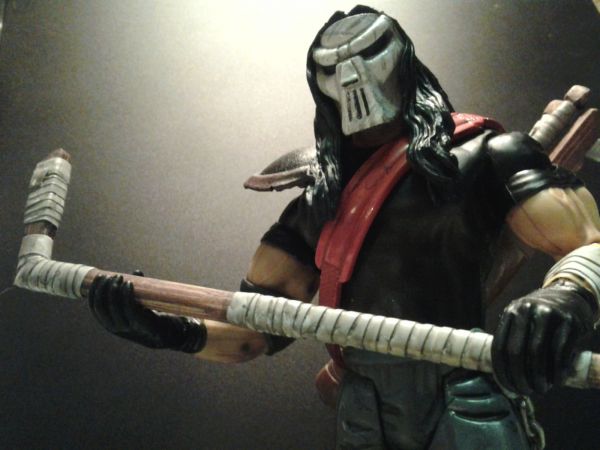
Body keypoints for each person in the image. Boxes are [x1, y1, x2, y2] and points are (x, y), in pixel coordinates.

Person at [87, 6, 600, 449]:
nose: (353, 78)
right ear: (320, 84)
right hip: (365, 408)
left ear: (402, 59)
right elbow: (254, 330)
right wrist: (166, 329)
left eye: (369, 54)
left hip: (461, 396)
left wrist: (565, 300)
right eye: (334, 68)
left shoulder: (485, 156)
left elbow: (589, 246)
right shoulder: (323, 198)